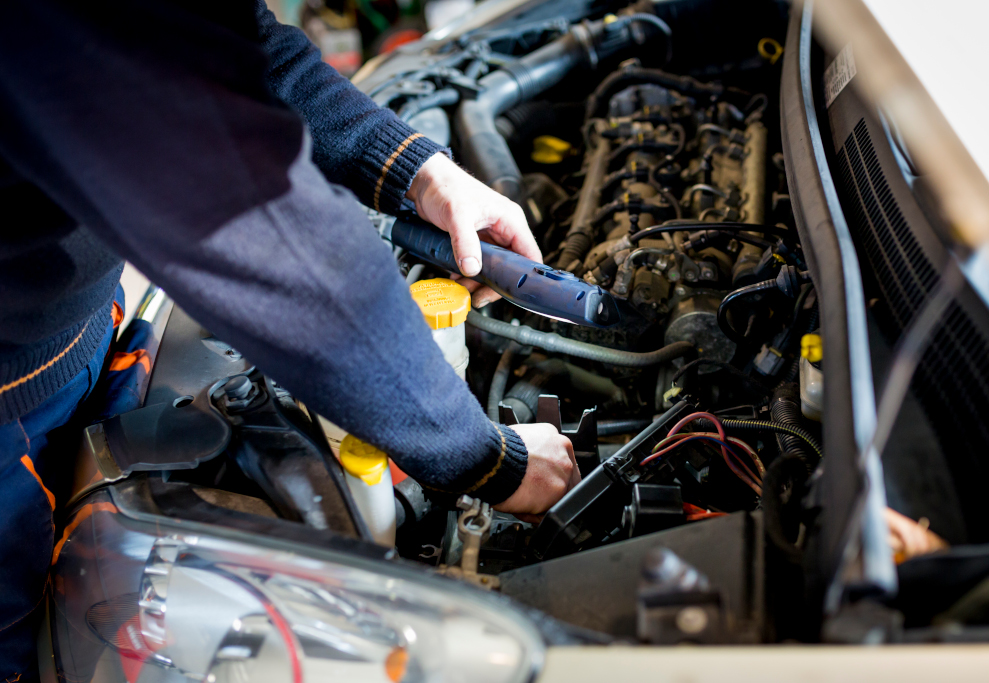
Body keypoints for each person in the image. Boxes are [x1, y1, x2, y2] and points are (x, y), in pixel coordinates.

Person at [0, 0, 580, 679]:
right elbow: (274, 233)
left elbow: (234, 41)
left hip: (67, 316)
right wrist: (485, 459)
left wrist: (416, 168)